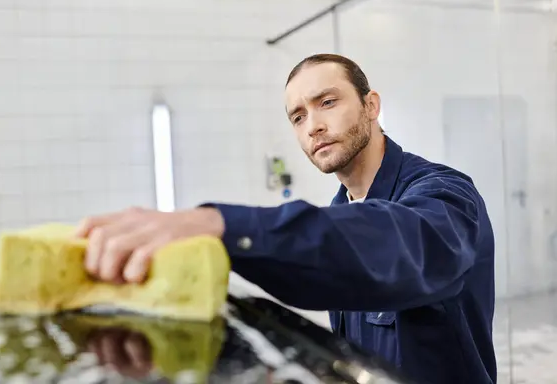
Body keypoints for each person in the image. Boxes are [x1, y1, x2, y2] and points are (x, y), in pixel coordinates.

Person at [74, 54, 496, 384]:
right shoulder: (340, 211)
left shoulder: (444, 193)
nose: (314, 126)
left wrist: (222, 224)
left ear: (371, 106)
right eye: (298, 116)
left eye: (327, 102)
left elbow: (395, 242)